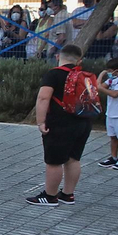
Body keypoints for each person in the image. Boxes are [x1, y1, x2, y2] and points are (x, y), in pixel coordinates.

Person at [28, 45, 96, 207]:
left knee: (54, 161)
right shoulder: (84, 75)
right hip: (83, 122)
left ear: (58, 56)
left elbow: (43, 98)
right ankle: (67, 194)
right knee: (73, 159)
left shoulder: (54, 74)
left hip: (60, 122)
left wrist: (41, 121)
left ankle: (50, 196)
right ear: (79, 60)